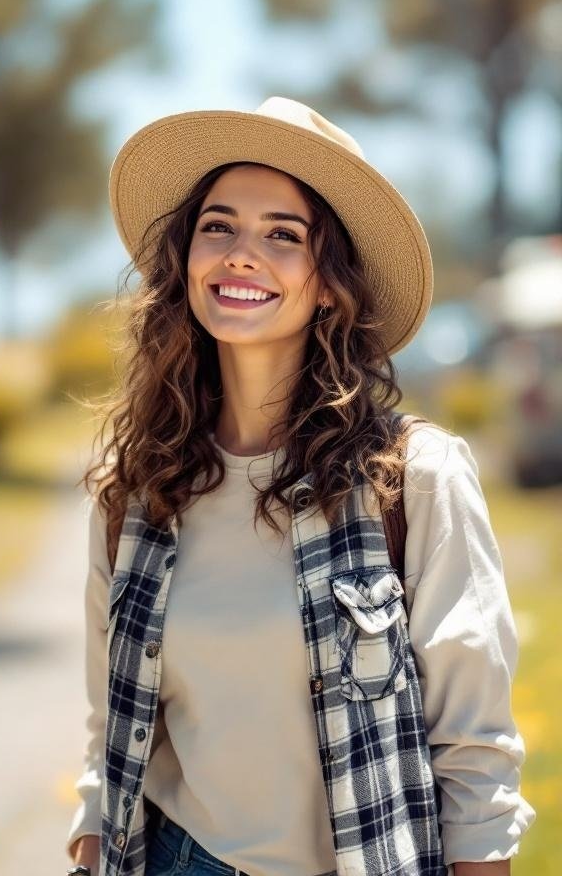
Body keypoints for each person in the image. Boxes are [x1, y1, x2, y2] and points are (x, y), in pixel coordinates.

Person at [65, 97, 535, 876]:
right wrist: (90, 840)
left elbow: (476, 758)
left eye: (283, 235)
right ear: (187, 261)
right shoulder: (137, 491)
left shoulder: (414, 480)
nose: (242, 254)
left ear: (328, 285)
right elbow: (107, 725)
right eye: (219, 226)